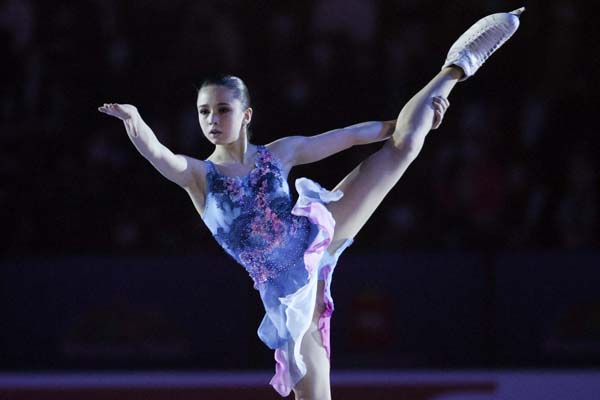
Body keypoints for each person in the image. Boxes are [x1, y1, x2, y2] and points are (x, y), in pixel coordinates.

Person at [98, 7, 524, 400]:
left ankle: (456, 66)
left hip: (318, 234)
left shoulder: (278, 153)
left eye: (222, 110)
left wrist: (419, 120)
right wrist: (135, 121)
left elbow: (353, 136)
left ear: (246, 115)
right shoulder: (199, 176)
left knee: (405, 143)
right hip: (289, 296)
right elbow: (159, 155)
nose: (212, 120)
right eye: (204, 112)